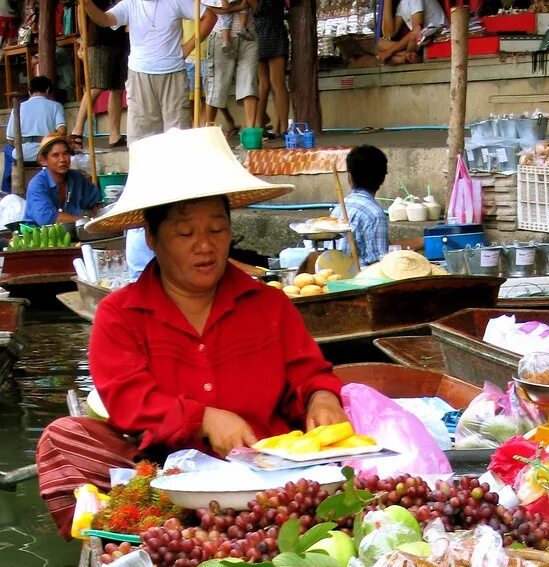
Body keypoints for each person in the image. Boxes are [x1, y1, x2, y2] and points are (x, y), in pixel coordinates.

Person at [35, 126, 348, 538]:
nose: (205, 245)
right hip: (166, 478)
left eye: (217, 230)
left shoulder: (269, 305)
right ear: (151, 237)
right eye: (185, 233)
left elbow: (310, 374)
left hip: (265, 476)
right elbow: (129, 401)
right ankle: (168, 526)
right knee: (62, 439)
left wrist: (322, 397)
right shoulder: (120, 315)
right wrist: (202, 419)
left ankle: (223, 525)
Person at [83, 0, 218, 143]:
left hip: (173, 73)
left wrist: (189, 46)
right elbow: (105, 20)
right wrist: (87, 4)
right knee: (142, 139)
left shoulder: (176, 1)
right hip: (139, 75)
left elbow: (209, 17)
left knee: (178, 136)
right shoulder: (130, 4)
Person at [71, 1, 129, 150]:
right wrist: (84, 41)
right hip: (98, 42)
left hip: (122, 40)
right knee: (96, 86)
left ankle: (114, 134)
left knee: (118, 87)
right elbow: (81, 8)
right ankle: (77, 131)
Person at [204, 0, 260, 135]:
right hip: (219, 35)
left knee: (249, 83)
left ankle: (250, 135)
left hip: (248, 35)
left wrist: (235, 7)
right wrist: (235, 7)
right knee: (216, 86)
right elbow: (207, 8)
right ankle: (208, 132)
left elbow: (256, 5)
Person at [3, 76, 66, 193]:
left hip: (22, 155)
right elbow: (62, 132)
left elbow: (10, 138)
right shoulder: (56, 106)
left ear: (29, 91)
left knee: (8, 149)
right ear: (48, 90)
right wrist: (46, 139)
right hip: (45, 154)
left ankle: (6, 192)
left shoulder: (18, 107)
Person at [24, 133, 103, 226]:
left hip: (74, 235)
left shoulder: (77, 178)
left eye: (65, 153)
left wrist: (99, 219)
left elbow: (96, 203)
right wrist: (84, 221)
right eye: (55, 155)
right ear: (44, 161)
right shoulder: (37, 185)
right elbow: (46, 218)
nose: (62, 159)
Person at [330, 144, 389, 268]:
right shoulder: (375, 214)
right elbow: (379, 263)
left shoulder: (341, 206)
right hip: (358, 280)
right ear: (383, 178)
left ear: (350, 177)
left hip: (334, 274)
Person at [253, 0, 289, 137]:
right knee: (277, 83)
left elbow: (254, 7)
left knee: (264, 84)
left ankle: (258, 125)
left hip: (260, 32)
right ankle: (283, 127)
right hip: (275, 30)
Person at [377, 0, 446, 65]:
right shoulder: (402, 4)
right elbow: (389, 33)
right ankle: (406, 56)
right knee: (381, 44)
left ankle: (408, 56)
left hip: (437, 35)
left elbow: (416, 32)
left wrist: (389, 51)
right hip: (420, 39)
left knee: (409, 43)